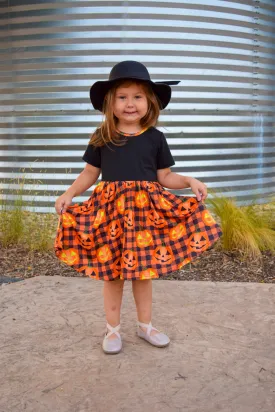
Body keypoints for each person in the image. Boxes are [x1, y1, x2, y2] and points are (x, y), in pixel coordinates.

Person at [54, 60, 222, 355]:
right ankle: (113, 330)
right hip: (110, 216)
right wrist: (69, 193)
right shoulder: (102, 136)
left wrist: (189, 180)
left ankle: (145, 326)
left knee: (143, 274)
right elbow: (89, 174)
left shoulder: (155, 138)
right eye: (122, 97)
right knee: (113, 275)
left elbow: (165, 177)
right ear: (110, 102)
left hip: (146, 217)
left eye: (137, 97)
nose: (129, 104)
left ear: (149, 102)